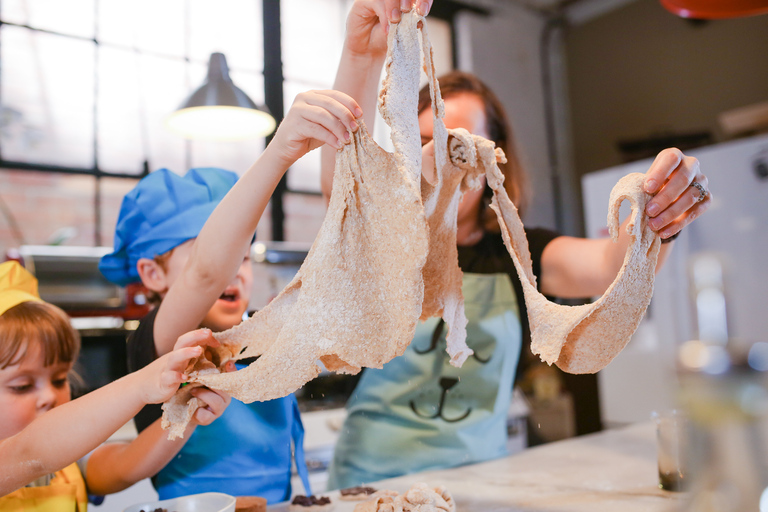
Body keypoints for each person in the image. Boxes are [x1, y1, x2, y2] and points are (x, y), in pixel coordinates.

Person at [321, 0, 712, 489]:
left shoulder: (518, 255)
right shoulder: (380, 237)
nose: (443, 160)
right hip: (366, 486)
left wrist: (658, 214)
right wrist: (362, 53)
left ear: (492, 159)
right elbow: (339, 180)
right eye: (427, 140)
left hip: (477, 487)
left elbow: (612, 266)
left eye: (460, 143)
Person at [99, 90, 362, 502]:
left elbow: (342, 219)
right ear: (152, 273)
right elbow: (205, 275)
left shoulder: (262, 339)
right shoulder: (163, 347)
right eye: (219, 257)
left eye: (243, 257)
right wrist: (279, 153)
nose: (232, 272)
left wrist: (360, 56)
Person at [0, 260, 229, 506]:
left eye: (58, 380)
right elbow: (32, 452)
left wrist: (187, 413)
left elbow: (126, 465)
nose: (49, 396)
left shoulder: (71, 466)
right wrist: (142, 384)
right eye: (21, 386)